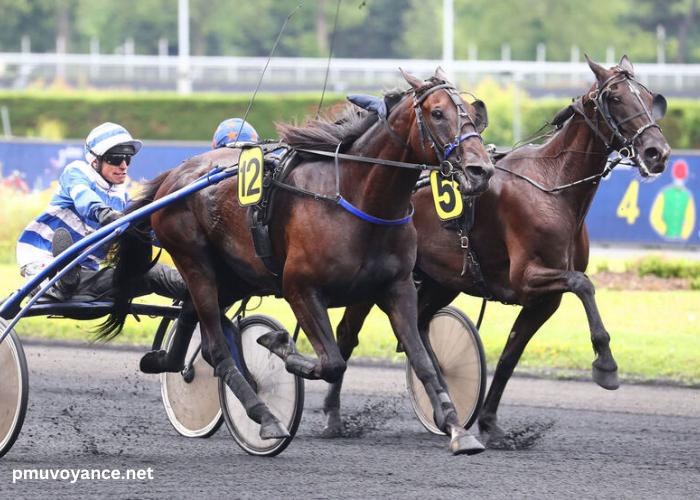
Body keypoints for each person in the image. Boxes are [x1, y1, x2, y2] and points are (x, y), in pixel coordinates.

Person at [16, 122, 188, 303]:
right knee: (56, 276)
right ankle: (58, 281)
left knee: (154, 273)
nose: (123, 165)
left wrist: (180, 240)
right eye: (116, 158)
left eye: (127, 158)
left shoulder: (121, 198)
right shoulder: (77, 172)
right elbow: (84, 197)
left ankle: (208, 290)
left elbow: (150, 233)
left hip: (87, 277)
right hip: (42, 259)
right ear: (95, 161)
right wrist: (103, 213)